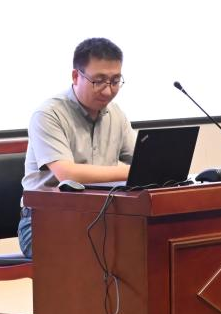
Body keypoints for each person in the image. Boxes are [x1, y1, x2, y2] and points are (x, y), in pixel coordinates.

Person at [17, 37, 135, 258]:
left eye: (115, 81)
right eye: (99, 81)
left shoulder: (116, 114)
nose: (108, 91)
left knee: (145, 246)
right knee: (99, 253)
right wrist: (132, 172)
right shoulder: (49, 114)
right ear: (75, 76)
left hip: (100, 216)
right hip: (43, 220)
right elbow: (68, 174)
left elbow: (142, 161)